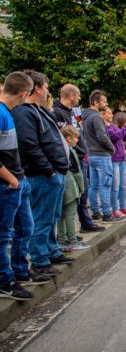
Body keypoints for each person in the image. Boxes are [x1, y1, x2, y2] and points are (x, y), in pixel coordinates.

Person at [13, 70, 74, 276]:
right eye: (46, 87)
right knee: (41, 218)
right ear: (36, 88)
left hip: (54, 173)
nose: (48, 91)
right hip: (42, 175)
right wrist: (48, 170)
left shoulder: (40, 111)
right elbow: (29, 145)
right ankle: (39, 260)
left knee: (52, 215)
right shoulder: (24, 113)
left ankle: (51, 250)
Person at [0, 72, 52, 301]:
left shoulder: (8, 113)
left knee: (25, 228)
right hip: (7, 184)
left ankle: (20, 270)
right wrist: (11, 179)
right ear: (24, 93)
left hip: (18, 180)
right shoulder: (2, 113)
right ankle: (5, 280)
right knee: (4, 235)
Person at [53, 84, 104, 233]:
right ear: (71, 96)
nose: (80, 98)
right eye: (79, 95)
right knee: (75, 196)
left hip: (81, 156)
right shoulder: (58, 112)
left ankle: (85, 223)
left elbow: (78, 132)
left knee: (83, 193)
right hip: (71, 159)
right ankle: (69, 233)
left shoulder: (73, 112)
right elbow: (64, 137)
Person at [82, 90, 118, 223]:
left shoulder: (86, 117)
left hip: (91, 154)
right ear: (96, 103)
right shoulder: (96, 117)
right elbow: (102, 136)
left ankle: (96, 212)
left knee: (94, 185)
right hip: (102, 155)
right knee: (105, 185)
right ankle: (107, 214)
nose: (106, 103)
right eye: (104, 101)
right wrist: (111, 148)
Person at [57, 125, 89, 251]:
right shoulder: (70, 151)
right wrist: (81, 188)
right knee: (70, 214)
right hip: (71, 186)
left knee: (61, 215)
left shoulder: (59, 149)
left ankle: (61, 240)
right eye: (76, 138)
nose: (77, 141)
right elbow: (77, 172)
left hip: (63, 185)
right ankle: (72, 240)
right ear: (69, 138)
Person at [108, 110, 126, 218]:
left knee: (123, 185)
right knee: (115, 186)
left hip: (121, 160)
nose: (111, 115)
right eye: (109, 113)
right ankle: (114, 209)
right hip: (114, 160)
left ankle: (123, 207)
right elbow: (116, 136)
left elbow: (124, 137)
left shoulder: (117, 128)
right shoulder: (109, 128)